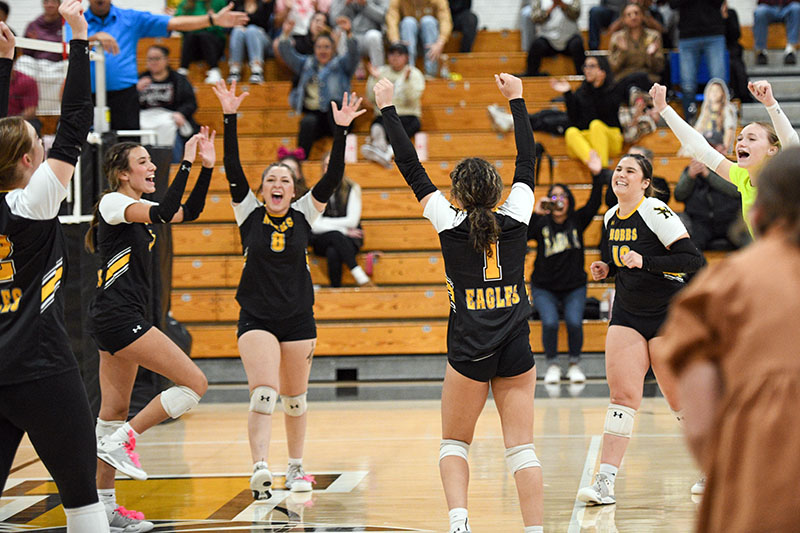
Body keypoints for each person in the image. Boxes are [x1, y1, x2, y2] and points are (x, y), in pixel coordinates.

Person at [375, 72, 544, 533]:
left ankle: (460, 523)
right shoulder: (518, 211)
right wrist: (518, 100)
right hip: (515, 346)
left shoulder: (447, 222)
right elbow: (527, 162)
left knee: (454, 442)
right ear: (495, 189)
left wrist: (387, 109)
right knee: (522, 449)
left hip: (469, 349)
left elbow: (411, 167)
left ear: (458, 194)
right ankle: (536, 530)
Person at [212, 79, 365, 500]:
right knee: (264, 393)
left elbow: (333, 176)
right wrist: (229, 117)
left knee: (295, 401)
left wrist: (341, 130)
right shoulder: (247, 213)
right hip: (257, 318)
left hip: (299, 317)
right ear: (262, 191)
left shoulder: (303, 214)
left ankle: (297, 467)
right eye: (271, 180)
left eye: (285, 179)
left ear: (294, 190)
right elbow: (232, 167)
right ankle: (260, 467)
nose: (277, 183)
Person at [0, 3, 109, 531]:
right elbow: (76, 124)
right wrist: (80, 37)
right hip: (42, 369)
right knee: (82, 500)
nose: (47, 150)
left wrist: (5, 65)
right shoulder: (34, 202)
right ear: (26, 162)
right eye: (37, 147)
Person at [657, 147, 800, 533]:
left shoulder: (728, 284)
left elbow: (701, 423)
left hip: (763, 490)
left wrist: (733, 473)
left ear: (758, 211)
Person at [85, 128, 215, 532]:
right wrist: (188, 161)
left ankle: (104, 508)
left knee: (112, 413)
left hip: (117, 316)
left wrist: (207, 167)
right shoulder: (112, 202)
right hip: (119, 316)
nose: (152, 166)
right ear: (122, 173)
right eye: (143, 161)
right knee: (194, 383)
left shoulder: (137, 206)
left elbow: (186, 211)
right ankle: (126, 438)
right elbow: (163, 212)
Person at [575, 152, 704, 506]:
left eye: (630, 170)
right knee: (622, 398)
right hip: (629, 313)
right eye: (618, 169)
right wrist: (608, 268)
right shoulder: (610, 217)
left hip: (666, 314)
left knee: (678, 398)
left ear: (645, 183)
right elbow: (624, 262)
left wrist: (644, 261)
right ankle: (604, 482)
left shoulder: (656, 212)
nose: (620, 174)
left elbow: (693, 260)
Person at [64, 0, 248, 132]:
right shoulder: (77, 20)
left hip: (124, 97)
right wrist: (95, 37)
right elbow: (67, 47)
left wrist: (212, 20)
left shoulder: (130, 19)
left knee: (127, 149)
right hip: (87, 95)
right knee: (87, 148)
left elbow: (174, 23)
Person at [652, 79, 799, 237]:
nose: (741, 143)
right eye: (740, 138)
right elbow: (699, 148)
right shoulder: (742, 176)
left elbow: (792, 144)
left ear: (772, 149)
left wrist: (770, 104)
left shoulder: (785, 178)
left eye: (752, 138)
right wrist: (664, 109)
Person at [528, 164, 604, 385]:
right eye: (554, 196)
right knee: (550, 322)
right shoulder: (540, 222)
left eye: (563, 196)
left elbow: (594, 202)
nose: (559, 199)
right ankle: (552, 363)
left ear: (569, 200)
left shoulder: (577, 220)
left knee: (573, 321)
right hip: (544, 286)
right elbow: (520, 234)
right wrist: (535, 211)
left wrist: (597, 174)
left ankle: (574, 364)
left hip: (574, 286)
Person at [277, 17, 360, 157]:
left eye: (327, 47)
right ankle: (300, 161)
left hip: (338, 117)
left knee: (335, 111)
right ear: (314, 49)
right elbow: (288, 55)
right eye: (319, 47)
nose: (323, 51)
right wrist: (285, 34)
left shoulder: (341, 65)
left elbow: (353, 54)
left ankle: (342, 157)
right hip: (315, 116)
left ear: (333, 49)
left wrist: (349, 33)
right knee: (307, 121)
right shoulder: (306, 64)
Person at [310, 156, 372, 286]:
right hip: (322, 239)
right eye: (327, 165)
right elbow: (314, 225)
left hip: (349, 241)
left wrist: (326, 224)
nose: (330, 168)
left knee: (333, 251)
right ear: (322, 168)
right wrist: (343, 230)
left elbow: (352, 222)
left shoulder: (352, 188)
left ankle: (336, 290)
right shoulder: (315, 191)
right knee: (335, 236)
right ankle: (359, 275)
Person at [673, 134, 742, 251]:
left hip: (730, 220)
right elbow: (679, 195)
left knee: (746, 240)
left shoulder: (733, 168)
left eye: (712, 147)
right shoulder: (690, 170)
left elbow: (736, 191)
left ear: (722, 149)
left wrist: (708, 174)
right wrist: (690, 176)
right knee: (691, 246)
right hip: (700, 222)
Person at [554, 56, 624, 168]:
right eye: (585, 66)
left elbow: (605, 114)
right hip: (590, 140)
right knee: (571, 132)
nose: (587, 70)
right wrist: (567, 94)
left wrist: (597, 88)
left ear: (602, 69)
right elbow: (574, 120)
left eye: (592, 66)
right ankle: (597, 168)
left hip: (610, 137)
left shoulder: (613, 89)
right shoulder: (582, 91)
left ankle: (602, 168)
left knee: (596, 125)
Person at [362, 42, 425, 166]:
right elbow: (370, 98)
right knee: (376, 126)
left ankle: (383, 150)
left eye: (399, 54)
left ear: (406, 57)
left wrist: (406, 82)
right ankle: (384, 150)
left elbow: (413, 98)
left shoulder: (414, 73)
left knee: (414, 123)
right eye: (392, 54)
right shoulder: (380, 72)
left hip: (407, 115)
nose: (395, 57)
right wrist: (374, 79)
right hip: (384, 115)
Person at [138, 45, 199, 163]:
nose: (153, 62)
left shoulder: (179, 79)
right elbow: (128, 104)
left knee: (172, 130)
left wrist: (181, 113)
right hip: (145, 118)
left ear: (166, 60)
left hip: (170, 118)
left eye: (157, 58)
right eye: (150, 59)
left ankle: (171, 166)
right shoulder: (140, 79)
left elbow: (191, 102)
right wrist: (136, 90)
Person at [669, 0, 726, 120]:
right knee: (687, 85)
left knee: (718, 82)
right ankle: (690, 121)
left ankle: (719, 122)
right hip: (687, 34)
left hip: (714, 32)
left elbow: (719, 2)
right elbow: (672, 4)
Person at [386, 0, 453, 78]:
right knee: (408, 22)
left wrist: (441, 41)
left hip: (430, 40)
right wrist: (395, 41)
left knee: (428, 21)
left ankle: (430, 73)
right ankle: (408, 71)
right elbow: (392, 19)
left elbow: (445, 20)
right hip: (408, 40)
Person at [608, 3, 664, 95]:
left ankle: (636, 98)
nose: (633, 17)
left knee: (642, 79)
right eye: (629, 15)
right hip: (624, 79)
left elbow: (659, 68)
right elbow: (612, 68)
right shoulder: (617, 37)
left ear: (642, 16)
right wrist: (622, 52)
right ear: (623, 19)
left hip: (647, 78)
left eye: (636, 13)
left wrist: (650, 55)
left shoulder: (653, 36)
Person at [523, 0, 584, 77]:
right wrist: (552, 7)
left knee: (577, 44)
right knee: (536, 45)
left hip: (569, 37)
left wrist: (562, 5)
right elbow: (535, 18)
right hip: (548, 38)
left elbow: (576, 14)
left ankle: (582, 76)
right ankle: (531, 75)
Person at [677, 78, 737, 155]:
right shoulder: (706, 110)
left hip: (719, 146)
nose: (714, 93)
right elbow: (698, 129)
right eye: (712, 91)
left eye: (717, 90)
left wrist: (725, 148)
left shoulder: (727, 109)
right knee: (686, 150)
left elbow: (729, 130)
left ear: (722, 93)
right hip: (706, 145)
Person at [175, 0, 229, 84]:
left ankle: (214, 69)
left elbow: (223, 26)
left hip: (214, 46)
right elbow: (177, 24)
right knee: (191, 36)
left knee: (204, 35)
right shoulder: (185, 3)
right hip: (193, 47)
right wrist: (207, 22)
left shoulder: (218, 2)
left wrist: (193, 25)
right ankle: (183, 70)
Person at [227, 0, 275, 84]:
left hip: (261, 40)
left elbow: (269, 23)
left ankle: (257, 70)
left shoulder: (265, 3)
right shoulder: (235, 4)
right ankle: (234, 70)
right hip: (242, 41)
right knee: (237, 30)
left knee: (252, 30)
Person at [330, 0, 388, 68]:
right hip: (349, 36)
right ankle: (344, 74)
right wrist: (345, 5)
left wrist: (366, 5)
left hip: (368, 36)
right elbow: (333, 21)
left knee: (374, 36)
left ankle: (379, 74)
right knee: (340, 33)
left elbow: (384, 17)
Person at [753, 0, 800, 65]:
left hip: (788, 7)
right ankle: (761, 52)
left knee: (796, 8)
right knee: (760, 11)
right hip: (769, 7)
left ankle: (791, 51)